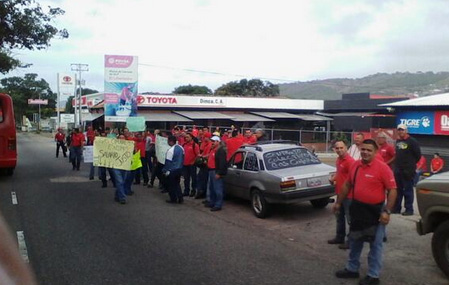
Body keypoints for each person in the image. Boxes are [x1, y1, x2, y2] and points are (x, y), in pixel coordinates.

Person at [334, 139, 397, 285]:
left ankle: (373, 276)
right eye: (363, 149)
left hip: (376, 211)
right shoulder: (356, 165)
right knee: (355, 240)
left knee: (375, 244)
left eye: (369, 150)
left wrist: (387, 211)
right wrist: (338, 202)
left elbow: (392, 190)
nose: (365, 152)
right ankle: (352, 269)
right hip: (358, 209)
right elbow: (347, 185)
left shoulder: (383, 168)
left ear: (375, 152)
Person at [328, 140, 355, 250]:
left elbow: (353, 180)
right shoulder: (339, 160)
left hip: (348, 196)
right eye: (337, 148)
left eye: (341, 147)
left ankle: (351, 241)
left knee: (350, 219)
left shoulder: (350, 161)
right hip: (339, 193)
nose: (339, 150)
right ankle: (339, 237)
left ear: (346, 148)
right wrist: (333, 179)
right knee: (339, 217)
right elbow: (340, 173)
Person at [393, 124, 421, 216]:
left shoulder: (412, 141)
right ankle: (397, 208)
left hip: (408, 171)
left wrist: (410, 165)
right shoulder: (398, 141)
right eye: (399, 130)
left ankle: (409, 209)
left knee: (408, 190)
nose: (401, 132)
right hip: (398, 170)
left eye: (402, 130)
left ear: (406, 131)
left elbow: (418, 155)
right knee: (398, 190)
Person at [205, 136, 228, 211]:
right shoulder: (213, 149)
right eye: (211, 141)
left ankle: (218, 204)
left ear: (218, 142)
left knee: (218, 189)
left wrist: (219, 173)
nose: (212, 143)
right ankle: (212, 202)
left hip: (216, 171)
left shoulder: (221, 151)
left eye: (213, 141)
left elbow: (222, 163)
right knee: (212, 188)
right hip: (211, 170)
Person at [162, 135, 185, 204]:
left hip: (172, 170)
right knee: (177, 184)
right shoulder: (181, 148)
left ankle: (173, 198)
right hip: (180, 168)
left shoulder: (170, 150)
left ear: (171, 141)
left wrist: (165, 170)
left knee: (171, 185)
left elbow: (168, 162)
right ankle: (180, 198)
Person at [182, 133, 200, 197]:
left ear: (191, 138)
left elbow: (198, 155)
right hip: (185, 164)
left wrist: (194, 161)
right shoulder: (184, 145)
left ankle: (193, 190)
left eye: (188, 137)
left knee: (193, 178)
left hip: (192, 164)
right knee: (186, 179)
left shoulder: (195, 145)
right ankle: (186, 190)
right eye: (186, 137)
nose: (186, 138)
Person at [196, 131, 212, 199]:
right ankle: (201, 192)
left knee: (203, 179)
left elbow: (209, 154)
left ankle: (203, 193)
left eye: (204, 136)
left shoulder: (210, 144)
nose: (203, 137)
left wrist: (202, 156)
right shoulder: (204, 143)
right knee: (200, 178)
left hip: (206, 164)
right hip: (203, 164)